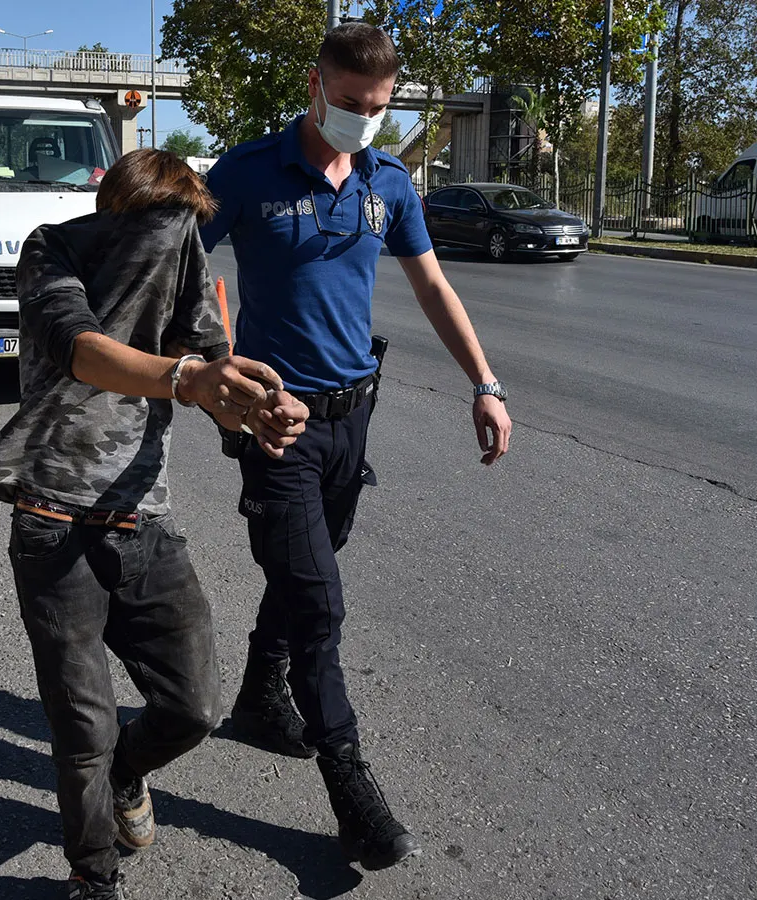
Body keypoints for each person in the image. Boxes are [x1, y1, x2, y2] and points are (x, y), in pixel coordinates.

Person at [199, 22, 514, 872]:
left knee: (308, 564)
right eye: (348, 103)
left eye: (377, 108)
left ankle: (261, 695)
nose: (363, 120)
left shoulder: (387, 181)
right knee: (320, 604)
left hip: (352, 420)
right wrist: (220, 372)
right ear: (315, 85)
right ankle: (351, 788)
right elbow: (179, 268)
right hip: (277, 425)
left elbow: (433, 283)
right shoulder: (247, 173)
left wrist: (484, 384)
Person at [0, 148, 312, 900]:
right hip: (53, 524)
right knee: (81, 729)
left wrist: (258, 411)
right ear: (115, 213)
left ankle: (128, 772)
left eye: (185, 231)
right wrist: (186, 377)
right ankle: (94, 876)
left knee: (194, 706)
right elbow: (82, 351)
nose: (174, 246)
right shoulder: (52, 249)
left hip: (142, 523)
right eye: (160, 227)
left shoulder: (185, 267)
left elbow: (216, 371)